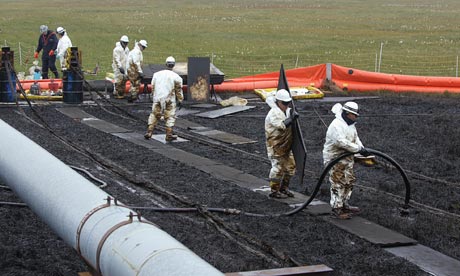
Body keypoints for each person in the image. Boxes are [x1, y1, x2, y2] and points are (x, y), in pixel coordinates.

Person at [322, 102, 370, 219]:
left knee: (349, 181)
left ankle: (344, 204)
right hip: (334, 158)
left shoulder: (350, 124)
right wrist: (358, 149)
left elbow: (355, 138)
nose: (357, 117)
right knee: (338, 182)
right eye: (355, 115)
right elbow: (341, 142)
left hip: (347, 158)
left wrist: (362, 149)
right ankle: (336, 209)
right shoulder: (336, 125)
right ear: (348, 114)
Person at [264, 89, 299, 199]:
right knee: (277, 168)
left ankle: (284, 188)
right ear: (278, 102)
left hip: (286, 144)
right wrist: (291, 118)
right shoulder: (273, 113)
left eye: (288, 102)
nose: (286, 105)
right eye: (284, 103)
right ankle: (274, 190)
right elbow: (281, 125)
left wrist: (292, 115)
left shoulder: (286, 110)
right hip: (275, 145)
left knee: (290, 167)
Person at [144, 56, 183, 142]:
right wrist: (180, 100)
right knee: (170, 116)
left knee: (154, 114)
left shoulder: (156, 75)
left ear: (166, 64)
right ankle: (169, 135)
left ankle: (149, 132)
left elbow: (153, 87)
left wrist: (153, 96)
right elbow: (178, 90)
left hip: (157, 98)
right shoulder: (177, 77)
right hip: (169, 100)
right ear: (173, 65)